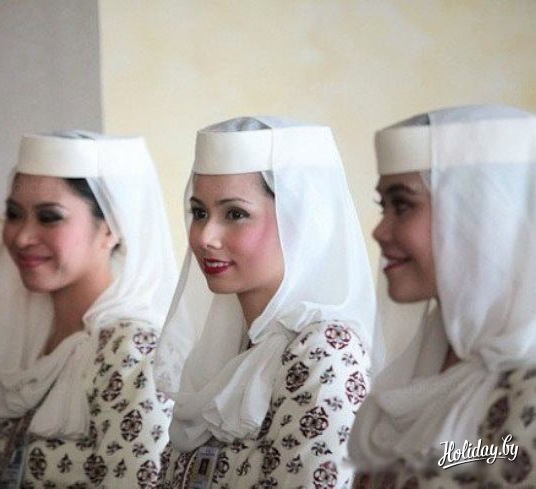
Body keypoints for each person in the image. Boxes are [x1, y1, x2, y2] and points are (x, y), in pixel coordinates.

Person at [155, 116, 376, 488]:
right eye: (200, 213)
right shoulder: (225, 348)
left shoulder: (325, 353)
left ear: (301, 220)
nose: (206, 237)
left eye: (235, 214)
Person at [349, 105, 536, 487]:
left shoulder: (528, 385)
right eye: (384, 206)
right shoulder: (428, 357)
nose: (380, 231)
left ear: (479, 215)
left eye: (402, 204)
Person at [0, 130, 177, 488]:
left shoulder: (132, 352)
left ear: (111, 228)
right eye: (14, 214)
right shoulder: (34, 339)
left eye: (49, 217)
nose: (22, 237)